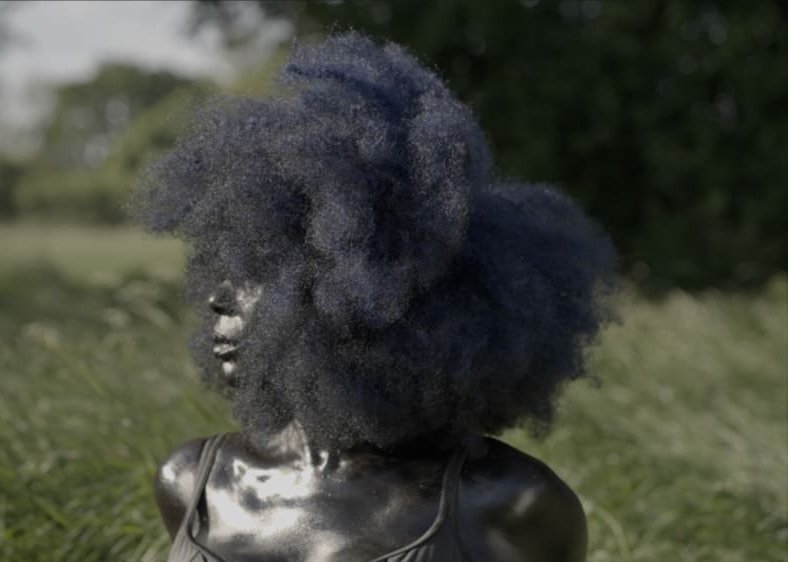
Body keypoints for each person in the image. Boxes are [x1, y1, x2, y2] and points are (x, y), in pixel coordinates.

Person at [139, 33, 616, 562]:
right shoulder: (189, 485)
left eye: (259, 266)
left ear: (366, 294)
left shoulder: (514, 507)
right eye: (223, 264)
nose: (218, 299)